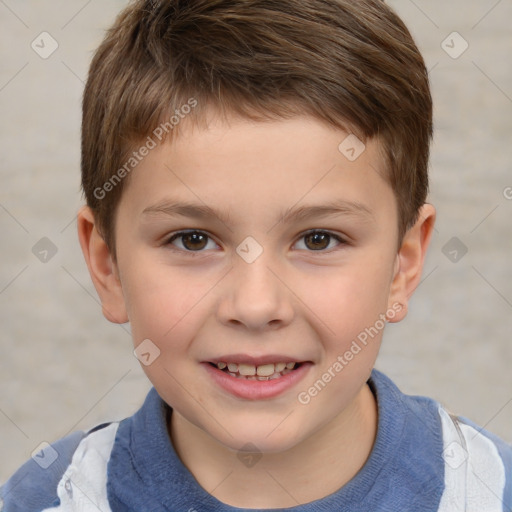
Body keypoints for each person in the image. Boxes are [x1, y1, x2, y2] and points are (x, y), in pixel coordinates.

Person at [2, 0, 511, 510]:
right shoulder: (47, 499)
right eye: (193, 240)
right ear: (107, 265)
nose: (255, 305)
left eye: (318, 239)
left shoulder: (490, 492)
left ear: (403, 263)